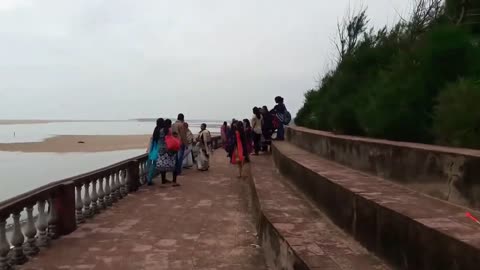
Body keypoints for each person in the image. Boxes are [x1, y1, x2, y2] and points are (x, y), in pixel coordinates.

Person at [156, 119, 180, 186]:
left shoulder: (160, 131)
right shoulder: (169, 130)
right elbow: (173, 138)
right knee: (174, 165)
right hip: (169, 150)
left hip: (161, 151)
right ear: (169, 124)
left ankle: (163, 182)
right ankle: (174, 181)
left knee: (162, 166)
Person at [145, 118, 163, 185]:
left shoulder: (155, 129)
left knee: (150, 164)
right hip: (158, 148)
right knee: (155, 164)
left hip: (153, 148)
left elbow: (152, 139)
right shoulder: (161, 130)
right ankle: (149, 179)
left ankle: (148, 178)